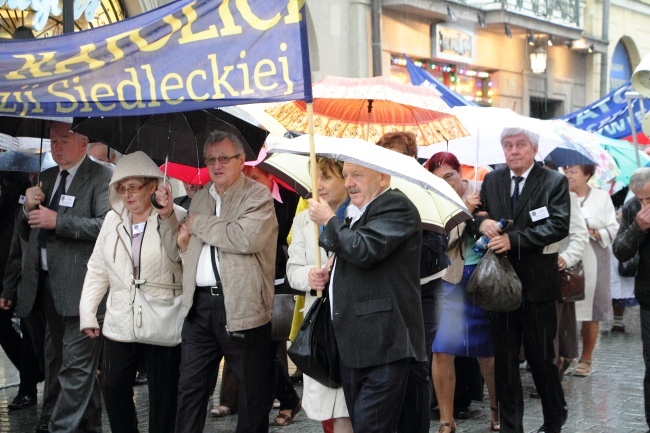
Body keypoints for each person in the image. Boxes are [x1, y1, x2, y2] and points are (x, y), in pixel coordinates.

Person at [156, 130, 278, 433]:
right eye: (210, 159)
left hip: (243, 305)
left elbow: (244, 237)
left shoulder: (257, 195)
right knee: (190, 390)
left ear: (240, 160)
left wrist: (198, 224)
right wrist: (169, 215)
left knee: (252, 396)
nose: (216, 164)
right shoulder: (200, 198)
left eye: (224, 158)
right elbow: (175, 248)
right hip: (199, 307)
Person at [307, 161, 427, 432]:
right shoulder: (354, 211)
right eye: (347, 175)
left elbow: (364, 250)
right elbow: (353, 258)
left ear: (383, 177)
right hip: (354, 344)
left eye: (357, 175)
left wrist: (329, 220)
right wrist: (329, 274)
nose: (349, 182)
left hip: (384, 344)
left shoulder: (396, 206)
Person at [9, 121, 112, 433]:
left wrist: (60, 221)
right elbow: (27, 231)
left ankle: (58, 427)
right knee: (59, 361)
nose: (56, 146)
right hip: (46, 286)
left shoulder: (102, 176)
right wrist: (27, 211)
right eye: (53, 140)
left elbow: (106, 226)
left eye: (64, 140)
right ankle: (86, 425)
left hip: (85, 289)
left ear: (83, 142)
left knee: (76, 366)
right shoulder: (48, 177)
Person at [79, 151, 185, 433]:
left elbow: (184, 260)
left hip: (161, 314)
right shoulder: (112, 221)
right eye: (121, 188)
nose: (127, 195)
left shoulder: (176, 216)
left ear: (152, 186)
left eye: (133, 187)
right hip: (120, 318)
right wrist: (87, 312)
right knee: (112, 387)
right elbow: (98, 268)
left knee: (163, 394)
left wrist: (169, 217)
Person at [478, 128, 569, 433]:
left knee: (540, 358)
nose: (513, 151)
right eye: (508, 146)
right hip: (499, 284)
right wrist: (483, 222)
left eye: (520, 145)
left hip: (537, 285)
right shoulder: (493, 179)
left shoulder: (554, 181)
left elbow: (558, 225)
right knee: (504, 361)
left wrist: (514, 241)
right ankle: (510, 426)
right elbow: (478, 212)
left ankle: (554, 417)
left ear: (534, 148)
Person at [213, 163, 301, 426]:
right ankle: (286, 399)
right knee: (261, 351)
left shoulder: (289, 198)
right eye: (246, 178)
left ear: (270, 177)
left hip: (278, 279)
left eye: (255, 177)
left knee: (268, 348)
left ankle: (282, 399)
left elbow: (287, 236)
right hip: (248, 281)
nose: (250, 182)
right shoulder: (241, 200)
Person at [376, 131, 449, 433]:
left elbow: (437, 247)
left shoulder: (426, 188)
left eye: (393, 156)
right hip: (389, 293)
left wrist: (401, 245)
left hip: (423, 292)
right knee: (390, 367)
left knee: (417, 365)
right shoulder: (379, 190)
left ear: (409, 157)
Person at [427, 151, 499, 433]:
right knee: (442, 350)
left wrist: (482, 215)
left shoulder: (484, 193)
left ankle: (497, 411)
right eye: (438, 179)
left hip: (482, 278)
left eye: (450, 176)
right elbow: (441, 244)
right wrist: (463, 212)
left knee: (488, 353)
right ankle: (446, 419)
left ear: (461, 173)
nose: (446, 182)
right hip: (449, 282)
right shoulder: (433, 202)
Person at [286, 157, 352, 432]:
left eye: (326, 177)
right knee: (329, 403)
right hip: (320, 322)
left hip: (351, 321)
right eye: (316, 178)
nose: (319, 186)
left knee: (350, 405)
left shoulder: (358, 217)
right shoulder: (304, 220)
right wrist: (309, 276)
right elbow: (293, 269)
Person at [563, 164, 618, 376]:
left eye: (574, 171)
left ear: (587, 174)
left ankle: (586, 359)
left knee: (590, 308)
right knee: (565, 306)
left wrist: (593, 231)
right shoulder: (560, 195)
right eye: (566, 171)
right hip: (567, 252)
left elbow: (613, 227)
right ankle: (566, 356)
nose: (569, 175)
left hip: (594, 253)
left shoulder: (602, 197)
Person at [0, 174, 44, 411]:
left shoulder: (17, 183)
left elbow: (19, 229)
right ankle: (33, 371)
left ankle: (28, 388)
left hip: (20, 262)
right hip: (7, 265)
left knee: (29, 327)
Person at [612, 167, 650, 431]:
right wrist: (638, 228)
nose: (644, 204)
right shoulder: (631, 209)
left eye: (649, 199)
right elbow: (620, 251)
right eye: (640, 199)